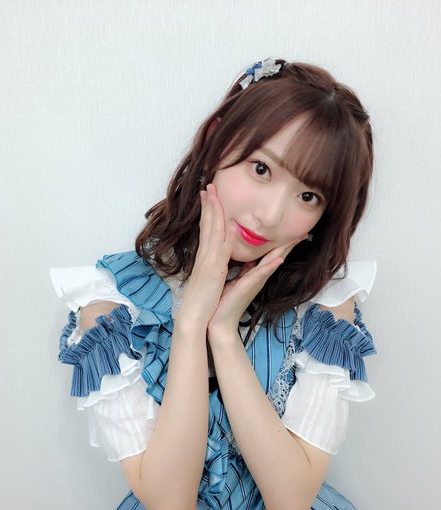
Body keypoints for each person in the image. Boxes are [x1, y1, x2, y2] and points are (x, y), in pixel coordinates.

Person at [50, 57, 377, 510]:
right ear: (214, 141)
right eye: (261, 169)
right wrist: (190, 324)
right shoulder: (110, 305)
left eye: (308, 196)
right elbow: (169, 503)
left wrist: (223, 333)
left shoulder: (325, 308)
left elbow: (291, 499)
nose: (270, 215)